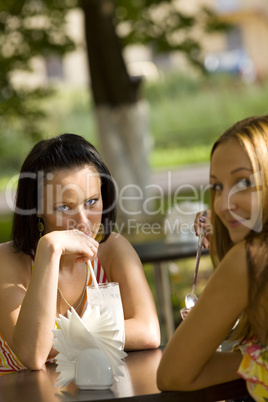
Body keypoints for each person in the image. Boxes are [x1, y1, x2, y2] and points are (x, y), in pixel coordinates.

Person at [0, 133, 160, 374]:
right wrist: (49, 250)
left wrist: (61, 338)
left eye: (92, 202)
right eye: (64, 207)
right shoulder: (8, 262)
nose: (83, 222)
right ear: (37, 209)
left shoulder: (112, 250)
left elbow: (148, 332)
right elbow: (33, 353)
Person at [157, 115, 268, 401]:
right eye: (217, 187)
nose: (222, 204)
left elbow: (172, 374)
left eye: (243, 182)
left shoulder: (250, 261)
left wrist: (256, 361)